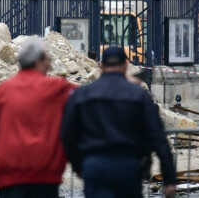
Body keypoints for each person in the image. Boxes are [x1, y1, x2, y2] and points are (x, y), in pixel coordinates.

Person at [60, 46, 177, 198]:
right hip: (129, 166)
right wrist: (169, 179)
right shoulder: (138, 95)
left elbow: (68, 133)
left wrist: (78, 166)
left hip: (95, 165)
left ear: (101, 66)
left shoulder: (82, 95)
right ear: (125, 65)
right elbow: (158, 138)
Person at [0, 37, 76, 198]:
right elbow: (86, 98)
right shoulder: (57, 88)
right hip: (44, 173)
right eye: (48, 58)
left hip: (9, 174)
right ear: (39, 60)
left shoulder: (3, 90)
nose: (51, 63)